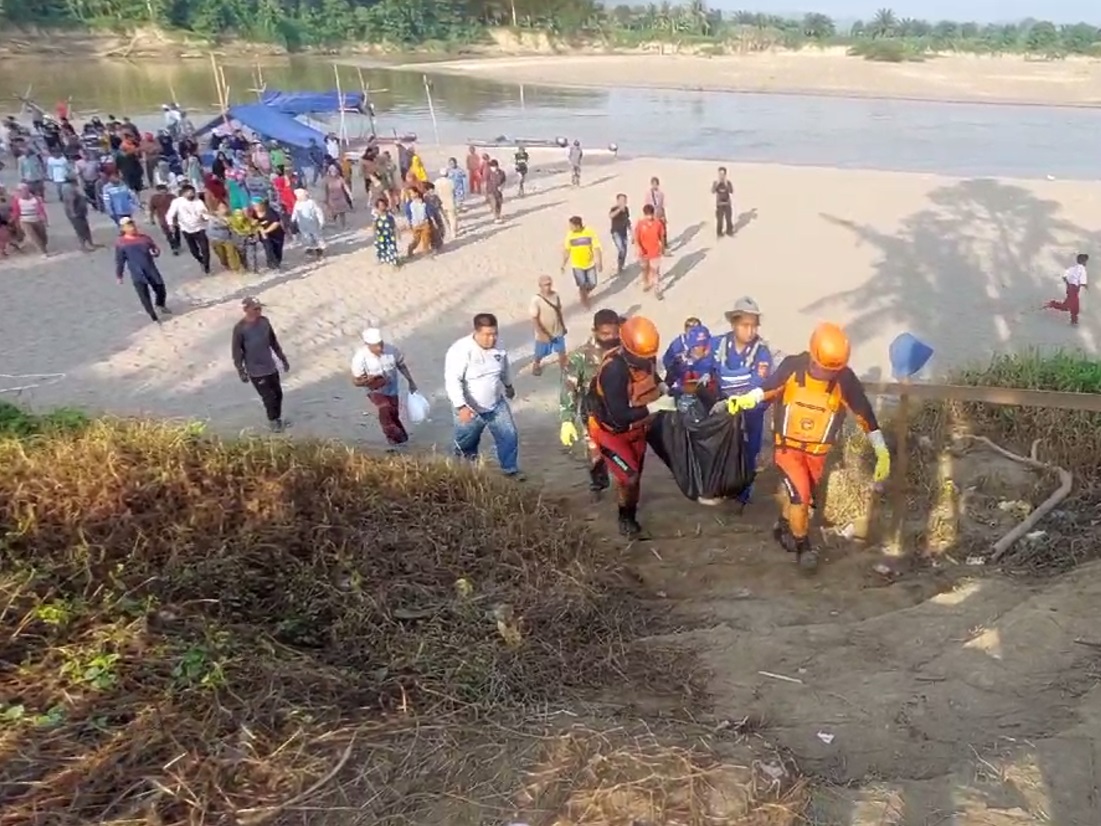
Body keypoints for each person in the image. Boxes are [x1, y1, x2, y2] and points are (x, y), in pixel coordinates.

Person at [725, 322, 890, 570]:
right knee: (801, 497)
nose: (826, 375)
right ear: (812, 357)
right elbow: (769, 387)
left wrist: (881, 449)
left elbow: (863, 413)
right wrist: (747, 398)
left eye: (831, 372)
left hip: (817, 454)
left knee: (801, 497)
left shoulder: (844, 378)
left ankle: (782, 527)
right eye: (822, 369)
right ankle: (803, 548)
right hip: (787, 449)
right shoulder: (793, 366)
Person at [587, 316, 677, 538]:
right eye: (641, 357)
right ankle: (625, 517)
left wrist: (662, 386)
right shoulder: (614, 371)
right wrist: (654, 406)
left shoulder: (644, 358)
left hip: (638, 430)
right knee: (630, 477)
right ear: (627, 348)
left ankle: (629, 507)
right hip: (611, 433)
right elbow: (619, 417)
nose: (646, 360)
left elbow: (650, 374)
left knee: (634, 478)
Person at [710, 297, 772, 506]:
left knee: (748, 452)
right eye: (745, 325)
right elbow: (705, 368)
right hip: (723, 410)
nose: (750, 331)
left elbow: (758, 383)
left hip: (750, 412)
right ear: (734, 324)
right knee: (721, 450)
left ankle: (742, 495)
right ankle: (721, 487)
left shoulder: (761, 352)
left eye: (754, 326)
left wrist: (740, 401)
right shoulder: (717, 345)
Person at [444, 313, 521, 479]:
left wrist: (508, 386)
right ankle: (465, 475)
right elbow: (452, 381)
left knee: (509, 435)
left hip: (496, 405)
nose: (491, 339)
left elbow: (504, 368)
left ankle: (510, 470)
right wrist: (461, 407)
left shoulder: (499, 346)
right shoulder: (460, 350)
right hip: (470, 409)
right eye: (487, 335)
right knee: (466, 445)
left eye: (494, 334)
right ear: (476, 332)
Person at [559, 308, 622, 501]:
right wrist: (567, 420)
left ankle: (625, 487)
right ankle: (598, 483)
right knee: (596, 454)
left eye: (614, 333)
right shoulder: (580, 357)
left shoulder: (624, 350)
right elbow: (569, 389)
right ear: (594, 331)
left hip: (621, 412)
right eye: (605, 334)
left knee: (622, 454)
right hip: (593, 412)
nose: (610, 337)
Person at [351, 327, 419, 450]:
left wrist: (411, 381)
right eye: (375, 346)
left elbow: (401, 366)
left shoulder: (392, 350)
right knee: (385, 409)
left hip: (392, 389)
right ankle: (394, 441)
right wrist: (368, 380)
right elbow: (356, 381)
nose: (379, 348)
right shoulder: (360, 357)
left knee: (393, 413)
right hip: (375, 390)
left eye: (380, 344)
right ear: (367, 345)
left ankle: (402, 439)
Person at [232, 296, 290, 433]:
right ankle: (273, 421)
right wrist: (241, 370)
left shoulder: (265, 322)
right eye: (255, 309)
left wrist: (283, 359)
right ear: (246, 310)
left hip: (270, 366)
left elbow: (273, 342)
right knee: (268, 397)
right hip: (255, 370)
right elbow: (236, 351)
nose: (259, 311)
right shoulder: (240, 329)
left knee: (278, 394)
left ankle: (277, 418)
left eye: (260, 308)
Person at [114, 217, 170, 324]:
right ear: (123, 229)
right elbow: (120, 260)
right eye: (128, 226)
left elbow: (155, 249)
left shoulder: (145, 238)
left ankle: (160, 304)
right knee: (144, 295)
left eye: (133, 225)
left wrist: (156, 252)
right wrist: (119, 275)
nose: (132, 228)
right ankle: (153, 316)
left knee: (160, 287)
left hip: (150, 269)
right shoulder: (121, 243)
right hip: (137, 272)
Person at [662, 323, 714, 413]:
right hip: (683, 399)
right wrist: (668, 387)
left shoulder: (715, 358)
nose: (696, 349)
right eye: (694, 346)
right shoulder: (680, 359)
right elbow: (670, 373)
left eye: (699, 346)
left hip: (707, 402)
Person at [165, 183, 211, 275]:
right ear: (184, 193)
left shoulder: (198, 202)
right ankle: (200, 259)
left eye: (192, 192)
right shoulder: (177, 202)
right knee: (194, 250)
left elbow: (205, 213)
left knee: (205, 248)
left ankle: (206, 265)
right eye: (189, 192)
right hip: (186, 229)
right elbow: (170, 214)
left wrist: (205, 218)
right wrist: (171, 225)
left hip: (200, 228)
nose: (191, 194)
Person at [530, 275, 568, 377]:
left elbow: (558, 311)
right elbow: (534, 318)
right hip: (544, 331)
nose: (548, 287)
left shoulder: (555, 296)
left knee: (562, 351)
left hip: (557, 329)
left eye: (549, 284)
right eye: (545, 285)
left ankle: (564, 369)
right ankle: (536, 364)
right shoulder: (536, 300)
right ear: (540, 286)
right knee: (540, 353)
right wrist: (541, 333)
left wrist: (563, 326)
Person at [561, 215, 603, 307]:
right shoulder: (570, 235)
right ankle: (585, 301)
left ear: (578, 226)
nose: (570, 228)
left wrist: (599, 262)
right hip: (577, 265)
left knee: (593, 283)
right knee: (582, 284)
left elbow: (596, 247)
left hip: (590, 263)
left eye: (571, 226)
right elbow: (567, 250)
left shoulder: (589, 232)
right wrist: (563, 264)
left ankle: (584, 294)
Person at [1045, 253, 1088, 327]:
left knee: (1066, 306)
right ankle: (1074, 321)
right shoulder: (1082, 269)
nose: (1086, 263)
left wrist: (1068, 283)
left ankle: (1053, 304)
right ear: (1083, 261)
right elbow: (1082, 282)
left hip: (1070, 288)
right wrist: (1086, 286)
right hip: (1074, 290)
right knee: (1075, 306)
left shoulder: (1072, 268)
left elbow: (1064, 277)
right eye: (1085, 261)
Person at [633, 204, 665, 296]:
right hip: (644, 252)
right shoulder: (640, 224)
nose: (649, 216)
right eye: (647, 214)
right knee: (645, 269)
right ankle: (646, 282)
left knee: (655, 270)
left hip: (655, 251)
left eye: (650, 214)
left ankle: (657, 289)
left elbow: (661, 236)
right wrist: (639, 248)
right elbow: (636, 237)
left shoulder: (658, 223)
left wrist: (662, 247)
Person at [11, 183, 49, 257]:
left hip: (36, 219)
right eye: (20, 191)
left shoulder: (35, 199)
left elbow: (41, 210)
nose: (22, 192)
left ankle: (43, 246)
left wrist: (45, 220)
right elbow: (16, 212)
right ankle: (42, 251)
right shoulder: (17, 201)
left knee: (43, 236)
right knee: (33, 236)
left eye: (24, 190)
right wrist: (14, 222)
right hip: (25, 221)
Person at [61, 173, 95, 252]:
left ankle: (90, 243)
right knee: (80, 229)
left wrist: (90, 200)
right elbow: (70, 201)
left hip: (80, 210)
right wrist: (72, 212)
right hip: (75, 212)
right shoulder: (68, 188)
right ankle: (83, 246)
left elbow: (81, 196)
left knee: (85, 227)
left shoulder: (73, 186)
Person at [291, 188, 326, 259]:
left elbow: (318, 212)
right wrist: (293, 219)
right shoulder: (297, 203)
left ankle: (319, 251)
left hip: (313, 223)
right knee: (307, 238)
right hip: (302, 224)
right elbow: (295, 212)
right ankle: (310, 250)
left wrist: (321, 221)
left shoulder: (311, 202)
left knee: (317, 236)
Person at [207, 202, 242, 272]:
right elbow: (216, 225)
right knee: (222, 255)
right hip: (215, 239)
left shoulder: (230, 216)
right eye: (222, 208)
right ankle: (225, 264)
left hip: (227, 238)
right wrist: (226, 223)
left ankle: (236, 269)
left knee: (231, 253)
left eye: (225, 207)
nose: (224, 210)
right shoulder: (213, 218)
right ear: (217, 210)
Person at [373, 197, 400, 267]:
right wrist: (375, 234)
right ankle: (382, 259)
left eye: (383, 205)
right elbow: (374, 226)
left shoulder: (389, 215)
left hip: (390, 235)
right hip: (381, 235)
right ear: (377, 207)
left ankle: (393, 261)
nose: (382, 207)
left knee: (392, 248)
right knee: (382, 248)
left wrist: (397, 233)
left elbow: (394, 224)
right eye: (380, 205)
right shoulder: (376, 216)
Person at [405, 189, 432, 258]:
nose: (411, 195)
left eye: (412, 193)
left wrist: (432, 220)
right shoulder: (409, 204)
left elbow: (428, 212)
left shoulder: (423, 202)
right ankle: (410, 249)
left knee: (426, 238)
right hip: (415, 224)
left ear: (417, 193)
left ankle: (426, 252)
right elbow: (408, 215)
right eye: (410, 194)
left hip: (424, 223)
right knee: (416, 240)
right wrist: (409, 223)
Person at [644, 177, 668, 254]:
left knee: (663, 231)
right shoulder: (648, 194)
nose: (655, 185)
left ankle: (663, 247)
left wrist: (664, 216)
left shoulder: (661, 194)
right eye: (653, 184)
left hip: (660, 213)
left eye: (656, 184)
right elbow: (647, 205)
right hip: (652, 215)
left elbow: (662, 206)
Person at [609, 193, 631, 273]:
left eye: (625, 200)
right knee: (621, 249)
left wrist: (631, 232)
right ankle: (619, 266)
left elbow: (627, 220)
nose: (624, 202)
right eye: (622, 200)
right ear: (618, 201)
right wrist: (619, 210)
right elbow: (611, 216)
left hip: (624, 232)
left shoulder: (626, 209)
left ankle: (620, 265)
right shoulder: (614, 208)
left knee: (624, 251)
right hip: (616, 232)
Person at [711, 166, 734, 238]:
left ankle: (729, 232)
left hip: (727, 204)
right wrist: (717, 184)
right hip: (719, 204)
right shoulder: (715, 182)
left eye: (723, 174)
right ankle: (719, 233)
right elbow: (712, 191)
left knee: (728, 218)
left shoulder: (728, 182)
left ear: (725, 174)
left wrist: (727, 184)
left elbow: (731, 191)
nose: (722, 176)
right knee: (719, 220)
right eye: (720, 174)